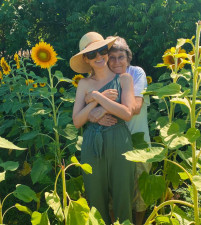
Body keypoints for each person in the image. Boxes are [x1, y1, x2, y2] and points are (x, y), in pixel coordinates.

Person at [70, 32, 136, 224]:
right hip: (92, 144)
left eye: (101, 51)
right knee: (95, 201)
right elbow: (77, 121)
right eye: (92, 54)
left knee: (123, 198)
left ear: (106, 51)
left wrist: (97, 98)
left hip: (120, 140)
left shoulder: (124, 79)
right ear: (86, 59)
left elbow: (127, 113)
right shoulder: (83, 84)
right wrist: (97, 102)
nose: (98, 57)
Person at [88, 37, 151, 225]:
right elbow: (88, 107)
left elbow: (135, 108)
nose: (116, 62)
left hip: (137, 140)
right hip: (112, 144)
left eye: (121, 57)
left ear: (128, 59)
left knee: (139, 193)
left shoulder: (136, 73)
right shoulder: (102, 77)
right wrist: (93, 113)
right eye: (112, 57)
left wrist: (102, 108)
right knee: (115, 194)